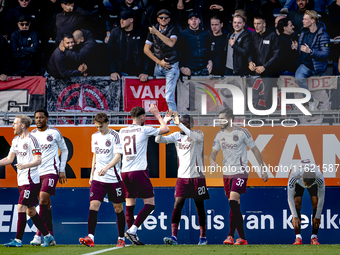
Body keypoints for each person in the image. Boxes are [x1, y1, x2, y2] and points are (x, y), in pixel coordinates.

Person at [209, 109, 268, 245]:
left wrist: (263, 169)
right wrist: (212, 161)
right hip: (227, 174)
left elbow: (255, 150)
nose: (220, 122)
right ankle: (242, 238)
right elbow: (213, 153)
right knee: (235, 206)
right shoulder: (219, 135)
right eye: (219, 119)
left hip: (240, 171)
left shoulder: (242, 132)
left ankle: (230, 235)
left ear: (230, 119)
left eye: (222, 119)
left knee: (233, 199)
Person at [0, 115, 55, 247]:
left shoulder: (32, 140)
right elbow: (8, 159)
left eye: (15, 123)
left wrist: (24, 166)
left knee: (21, 207)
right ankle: (48, 236)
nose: (12, 125)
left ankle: (18, 240)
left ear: (23, 126)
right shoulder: (15, 141)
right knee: (31, 211)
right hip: (22, 180)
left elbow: (38, 160)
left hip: (31, 181)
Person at [119, 105, 171, 245]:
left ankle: (132, 235)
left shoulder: (122, 131)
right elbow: (166, 129)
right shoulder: (144, 129)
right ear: (142, 118)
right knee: (150, 204)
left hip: (125, 171)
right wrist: (158, 115)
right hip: (139, 171)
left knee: (130, 204)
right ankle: (133, 230)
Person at [156, 112, 209, 245]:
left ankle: (203, 238)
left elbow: (191, 134)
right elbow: (158, 140)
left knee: (200, 207)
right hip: (182, 179)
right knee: (178, 205)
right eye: (182, 122)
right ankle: (174, 237)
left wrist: (179, 123)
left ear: (192, 124)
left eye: (186, 122)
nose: (184, 124)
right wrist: (165, 122)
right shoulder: (176, 136)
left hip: (197, 177)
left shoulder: (198, 135)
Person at [79, 113, 126, 248]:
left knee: (118, 208)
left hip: (113, 178)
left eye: (101, 126)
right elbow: (95, 155)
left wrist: (106, 168)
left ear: (107, 123)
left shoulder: (115, 136)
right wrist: (91, 173)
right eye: (97, 126)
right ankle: (90, 238)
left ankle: (121, 238)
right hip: (98, 179)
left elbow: (118, 157)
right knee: (93, 206)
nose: (99, 129)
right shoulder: (94, 136)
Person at [29, 109, 68, 246]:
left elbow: (64, 150)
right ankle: (50, 235)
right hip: (35, 173)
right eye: (36, 118)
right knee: (46, 204)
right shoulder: (31, 135)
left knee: (44, 199)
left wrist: (62, 169)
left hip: (51, 171)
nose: (39, 120)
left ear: (46, 118)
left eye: (41, 117)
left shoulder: (54, 133)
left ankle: (39, 235)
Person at [144, 9, 180, 112]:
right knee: (157, 95)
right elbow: (146, 49)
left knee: (168, 96)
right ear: (157, 19)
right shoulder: (152, 31)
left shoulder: (174, 29)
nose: (163, 19)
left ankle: (174, 121)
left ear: (169, 19)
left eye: (166, 18)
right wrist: (159, 62)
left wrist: (156, 32)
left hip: (171, 66)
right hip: (159, 66)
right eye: (161, 18)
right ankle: (159, 118)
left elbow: (171, 43)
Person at [295, 10, 330, 111]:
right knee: (298, 78)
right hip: (305, 65)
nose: (303, 21)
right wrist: (296, 48)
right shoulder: (303, 33)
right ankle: (310, 100)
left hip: (318, 68)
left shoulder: (323, 34)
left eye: (305, 19)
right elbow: (301, 50)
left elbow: (325, 54)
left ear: (313, 20)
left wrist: (310, 51)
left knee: (325, 93)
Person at [287, 159, 325, 245]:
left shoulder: (319, 177)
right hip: (298, 181)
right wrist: (294, 216)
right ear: (302, 178)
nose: (306, 187)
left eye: (308, 186)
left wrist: (317, 216)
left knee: (316, 203)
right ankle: (298, 238)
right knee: (297, 202)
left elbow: (321, 198)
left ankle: (314, 237)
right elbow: (290, 198)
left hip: (312, 182)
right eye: (305, 184)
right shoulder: (294, 176)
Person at [107, 10, 151, 82]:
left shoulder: (142, 32)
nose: (121, 21)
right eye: (121, 19)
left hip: (139, 74)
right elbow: (110, 52)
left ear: (131, 20)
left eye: (124, 19)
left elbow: (147, 52)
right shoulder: (115, 32)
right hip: (120, 73)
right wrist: (113, 71)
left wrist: (145, 71)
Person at [179, 11, 213, 77]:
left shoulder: (206, 34)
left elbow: (209, 50)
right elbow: (178, 52)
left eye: (196, 19)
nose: (194, 21)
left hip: (204, 70)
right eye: (191, 19)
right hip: (189, 71)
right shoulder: (182, 34)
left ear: (199, 21)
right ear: (188, 21)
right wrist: (181, 67)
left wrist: (210, 61)